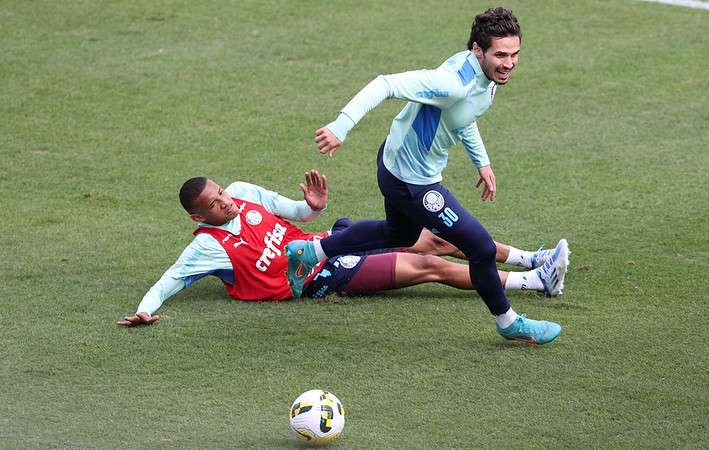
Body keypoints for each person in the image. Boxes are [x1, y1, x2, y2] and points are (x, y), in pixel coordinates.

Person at [285, 7, 567, 345]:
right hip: (412, 182)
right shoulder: (451, 84)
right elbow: (385, 84)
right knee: (478, 246)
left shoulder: (486, 76)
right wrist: (340, 127)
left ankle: (310, 252)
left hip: (396, 165)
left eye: (515, 54)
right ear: (478, 50)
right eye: (501, 54)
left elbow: (464, 117)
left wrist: (482, 161)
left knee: (398, 233)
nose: (509, 63)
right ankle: (509, 323)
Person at [118, 171, 568, 328]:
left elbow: (292, 208)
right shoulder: (206, 248)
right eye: (213, 204)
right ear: (199, 217)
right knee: (427, 263)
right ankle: (535, 283)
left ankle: (533, 259)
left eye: (220, 191)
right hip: (315, 278)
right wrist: (144, 309)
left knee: (435, 235)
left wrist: (312, 206)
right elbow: (169, 279)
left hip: (321, 245)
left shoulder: (243, 193)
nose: (225, 200)